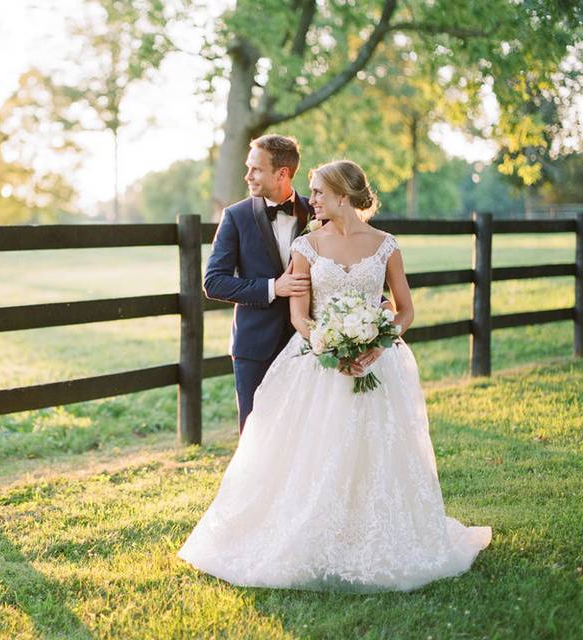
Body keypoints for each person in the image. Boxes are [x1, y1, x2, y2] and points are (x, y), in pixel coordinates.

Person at [178, 160, 491, 592]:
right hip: (317, 361)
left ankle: (372, 532)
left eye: (320, 193)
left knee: (374, 450)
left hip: (378, 365)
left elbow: (405, 309)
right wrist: (330, 345)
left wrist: (378, 344)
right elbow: (299, 316)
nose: (313, 201)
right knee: (313, 452)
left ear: (343, 196)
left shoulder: (386, 246)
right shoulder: (306, 246)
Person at [204, 134, 314, 433]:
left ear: (282, 173)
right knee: (255, 433)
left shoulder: (318, 214)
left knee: (307, 430)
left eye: (256, 169)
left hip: (311, 344)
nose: (247, 175)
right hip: (254, 347)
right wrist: (272, 288)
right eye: (248, 167)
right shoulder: (235, 217)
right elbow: (214, 282)